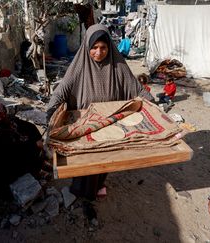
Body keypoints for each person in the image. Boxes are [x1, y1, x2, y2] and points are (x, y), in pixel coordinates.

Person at [47, 24, 153, 201]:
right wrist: (50, 112)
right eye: (94, 48)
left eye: (103, 47)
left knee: (105, 160)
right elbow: (60, 92)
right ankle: (82, 193)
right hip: (85, 123)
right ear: (87, 47)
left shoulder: (118, 66)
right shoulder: (79, 67)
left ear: (109, 47)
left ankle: (98, 186)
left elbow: (138, 90)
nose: (99, 52)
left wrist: (153, 105)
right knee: (85, 163)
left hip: (110, 123)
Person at [0, 100, 50, 198]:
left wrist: (37, 138)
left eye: (4, 114)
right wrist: (32, 145)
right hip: (2, 169)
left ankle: (38, 166)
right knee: (29, 152)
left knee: (31, 144)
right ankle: (36, 170)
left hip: (12, 154)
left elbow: (27, 126)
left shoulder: (3, 121)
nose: (3, 117)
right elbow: (10, 153)